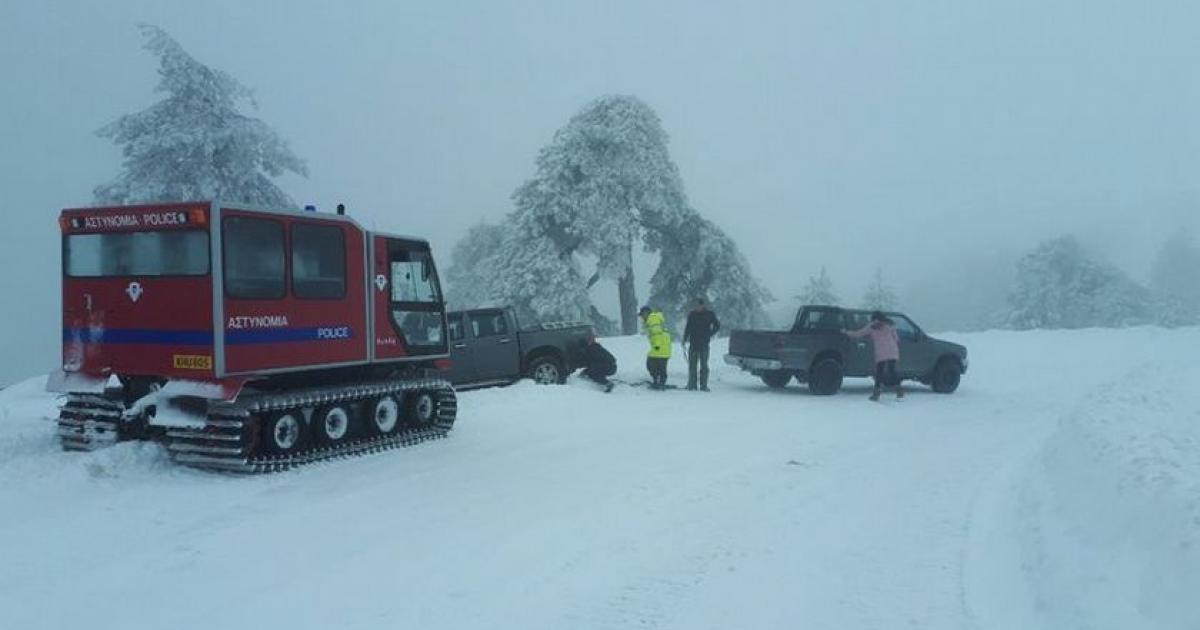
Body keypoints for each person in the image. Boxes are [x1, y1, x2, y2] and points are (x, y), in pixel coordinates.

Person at [844, 311, 903, 401]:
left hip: (881, 352)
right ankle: (899, 390)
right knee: (892, 371)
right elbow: (896, 338)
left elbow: (858, 334)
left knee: (879, 373)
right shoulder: (890, 324)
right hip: (892, 350)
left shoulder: (871, 327)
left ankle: (876, 394)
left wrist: (846, 332)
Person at [682, 297, 720, 391]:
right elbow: (688, 327)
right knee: (692, 366)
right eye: (695, 305)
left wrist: (710, 334)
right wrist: (684, 339)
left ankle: (704, 386)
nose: (696, 307)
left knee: (704, 366)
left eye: (698, 305)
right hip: (693, 343)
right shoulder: (692, 314)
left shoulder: (710, 314)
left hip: (704, 344)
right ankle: (692, 385)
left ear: (703, 305)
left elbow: (717, 325)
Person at [639, 305, 672, 389]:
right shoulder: (654, 319)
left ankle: (658, 382)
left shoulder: (652, 319)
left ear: (646, 313)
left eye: (642, 315)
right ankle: (660, 382)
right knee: (661, 366)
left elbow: (656, 332)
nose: (642, 317)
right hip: (664, 347)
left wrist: (657, 345)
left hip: (659, 347)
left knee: (651, 364)